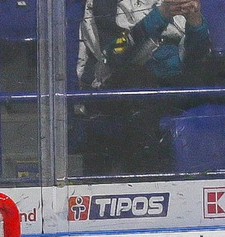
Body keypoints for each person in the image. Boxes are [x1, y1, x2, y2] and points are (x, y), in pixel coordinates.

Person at [77, 0, 212, 176]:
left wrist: (195, 22)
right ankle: (149, 184)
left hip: (170, 86)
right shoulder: (102, 4)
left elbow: (197, 59)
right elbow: (114, 54)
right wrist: (161, 14)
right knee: (140, 82)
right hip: (114, 89)